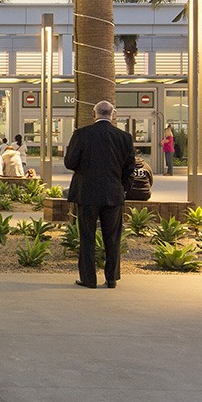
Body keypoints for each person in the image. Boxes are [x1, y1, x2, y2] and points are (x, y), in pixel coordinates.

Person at [64, 100, 136, 289]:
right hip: (113, 194)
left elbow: (70, 163)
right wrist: (122, 188)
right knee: (112, 237)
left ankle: (88, 279)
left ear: (93, 114)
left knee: (86, 236)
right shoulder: (124, 137)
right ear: (113, 115)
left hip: (86, 194)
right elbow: (130, 169)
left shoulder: (81, 134)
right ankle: (111, 278)